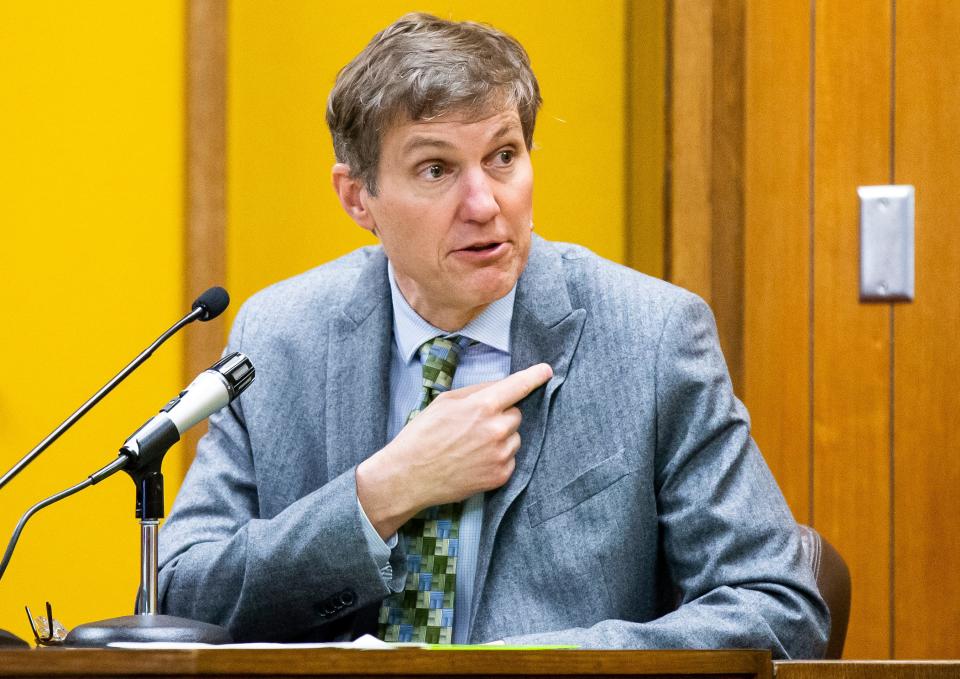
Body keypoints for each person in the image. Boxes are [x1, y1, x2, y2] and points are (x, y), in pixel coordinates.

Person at [157, 13, 829, 657]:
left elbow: (775, 606)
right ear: (358, 197)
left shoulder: (649, 336)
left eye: (503, 157)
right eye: (436, 169)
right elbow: (180, 594)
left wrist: (518, 665)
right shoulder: (282, 336)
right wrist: (380, 492)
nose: (484, 204)